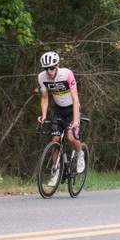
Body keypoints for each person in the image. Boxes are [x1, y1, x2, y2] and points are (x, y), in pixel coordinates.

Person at [37, 51, 84, 187]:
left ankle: (80, 154)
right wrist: (44, 115)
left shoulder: (67, 74)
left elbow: (75, 98)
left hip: (72, 109)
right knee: (55, 140)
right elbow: (45, 97)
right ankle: (55, 172)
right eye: (46, 69)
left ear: (57, 65)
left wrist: (75, 120)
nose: (49, 72)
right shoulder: (42, 77)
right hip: (59, 110)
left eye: (52, 68)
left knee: (71, 138)